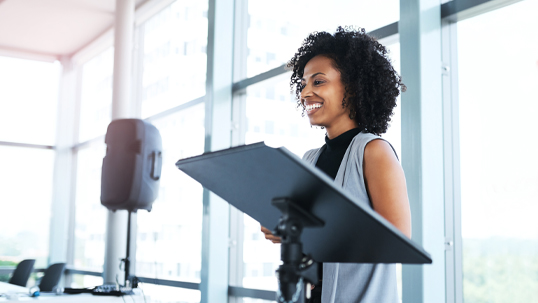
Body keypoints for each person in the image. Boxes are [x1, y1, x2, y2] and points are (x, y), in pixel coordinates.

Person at [261, 26, 411, 303]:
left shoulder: (373, 151)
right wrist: (284, 229)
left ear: (353, 88)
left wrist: (313, 229)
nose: (305, 93)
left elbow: (397, 241)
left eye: (318, 82)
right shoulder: (309, 159)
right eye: (303, 83)